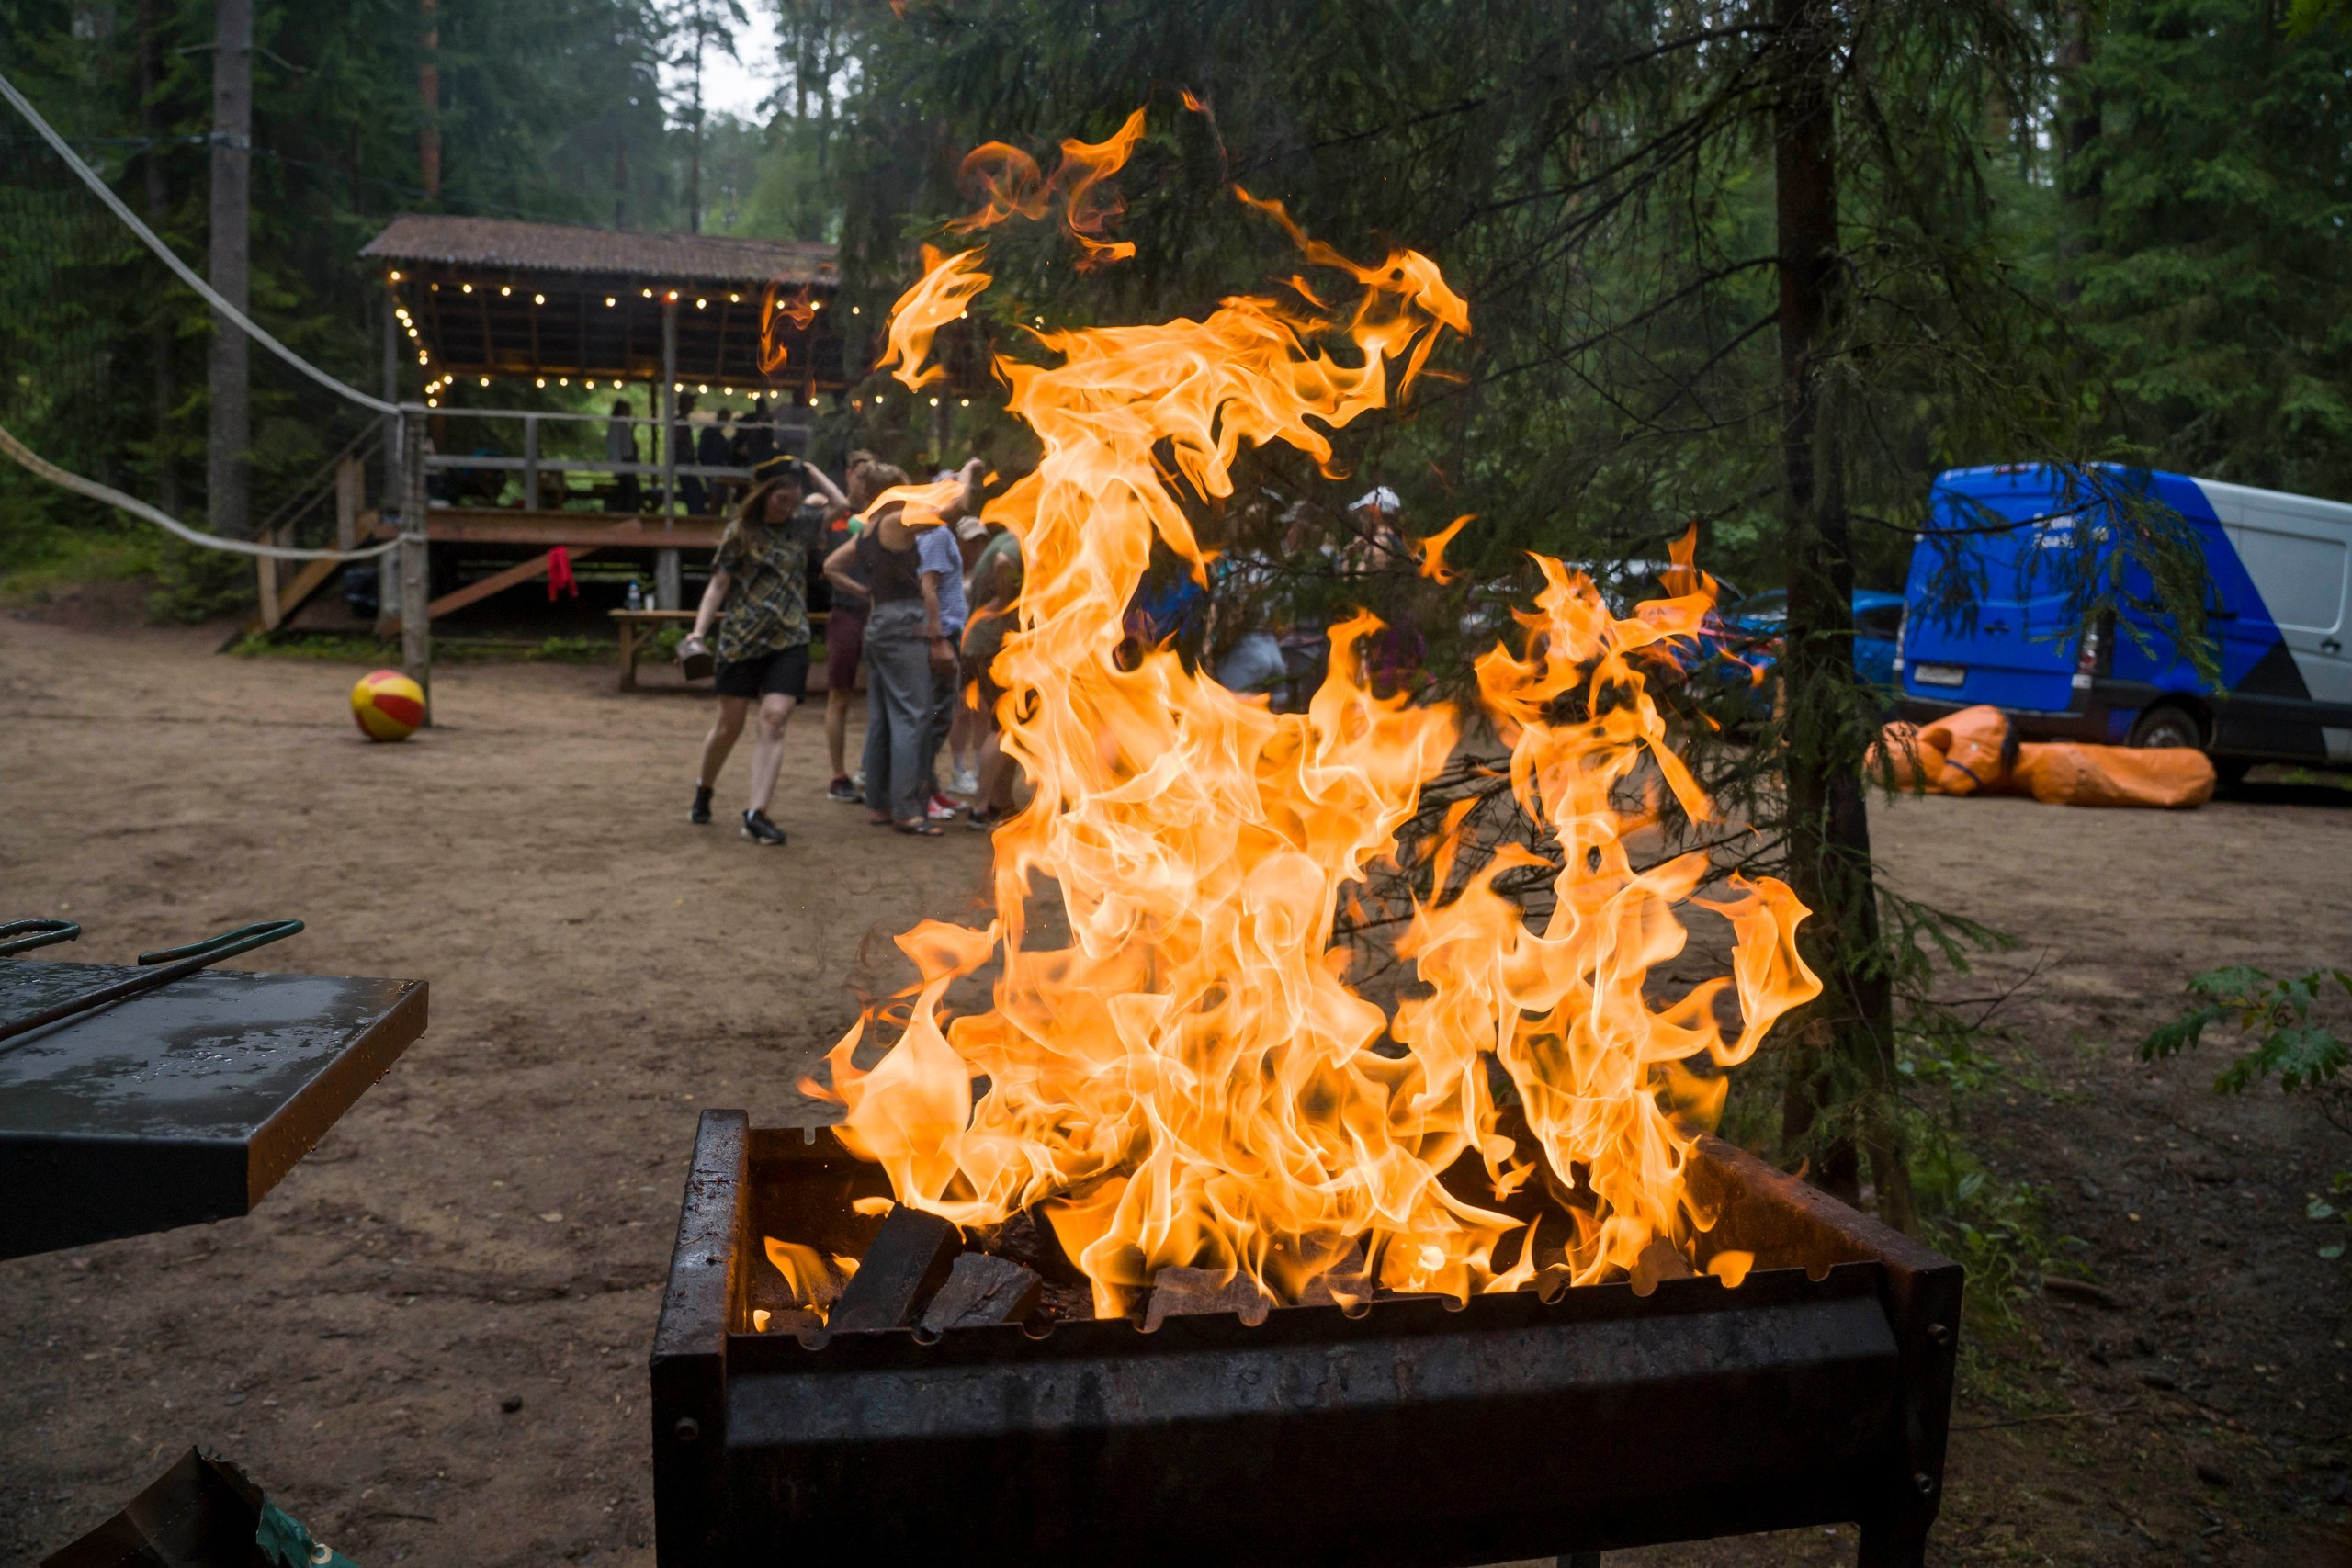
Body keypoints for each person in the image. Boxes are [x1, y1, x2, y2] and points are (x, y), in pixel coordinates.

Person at [684, 453, 849, 844]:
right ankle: (704, 788)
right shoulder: (740, 532)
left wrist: (810, 470)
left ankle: (757, 813)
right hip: (742, 639)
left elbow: (842, 505)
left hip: (789, 639)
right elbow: (718, 587)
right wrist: (696, 634)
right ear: (763, 495)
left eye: (794, 495)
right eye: (781, 496)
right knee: (730, 724)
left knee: (774, 719)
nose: (790, 502)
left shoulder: (803, 526)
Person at [825, 481, 956, 835]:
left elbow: (831, 566)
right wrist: (969, 475)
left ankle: (880, 804)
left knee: (882, 717)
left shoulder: (866, 533)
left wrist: (863, 591)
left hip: (878, 621)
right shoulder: (896, 522)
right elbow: (951, 511)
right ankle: (907, 810)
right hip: (904, 624)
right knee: (913, 717)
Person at [917, 460, 989, 818]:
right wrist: (938, 638)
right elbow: (927, 588)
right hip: (942, 634)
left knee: (940, 714)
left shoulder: (939, 533)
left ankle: (930, 788)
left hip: (949, 632)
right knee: (931, 716)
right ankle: (920, 792)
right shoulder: (935, 534)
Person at [821, 455, 887, 802]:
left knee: (882, 696)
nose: (865, 481)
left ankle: (871, 769)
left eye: (870, 475)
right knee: (840, 695)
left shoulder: (886, 517)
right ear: (848, 475)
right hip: (846, 612)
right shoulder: (836, 514)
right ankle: (838, 774)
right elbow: (829, 565)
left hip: (881, 615)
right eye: (861, 474)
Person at [959, 520, 1024, 831]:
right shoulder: (1018, 540)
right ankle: (982, 808)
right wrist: (1005, 599)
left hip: (985, 642)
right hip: (992, 645)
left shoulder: (1006, 537)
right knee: (1005, 726)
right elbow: (1004, 562)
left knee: (1007, 724)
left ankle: (1000, 802)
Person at [605, 399, 641, 514]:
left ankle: (626, 512)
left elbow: (627, 443)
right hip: (624, 461)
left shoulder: (623, 425)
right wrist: (618, 467)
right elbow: (615, 446)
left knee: (627, 490)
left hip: (628, 461)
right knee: (631, 490)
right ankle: (628, 513)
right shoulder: (616, 425)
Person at [698, 406, 735, 516]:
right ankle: (711, 519)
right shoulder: (709, 433)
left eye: (726, 419)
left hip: (720, 472)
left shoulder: (721, 437)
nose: (724, 421)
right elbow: (702, 453)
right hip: (711, 470)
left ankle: (715, 517)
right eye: (723, 418)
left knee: (721, 495)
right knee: (715, 495)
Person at [673, 392, 705, 516]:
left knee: (696, 493)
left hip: (687, 462)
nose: (693, 405)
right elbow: (677, 437)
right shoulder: (680, 420)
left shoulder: (683, 419)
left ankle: (696, 516)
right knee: (694, 494)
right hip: (684, 463)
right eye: (690, 402)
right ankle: (695, 518)